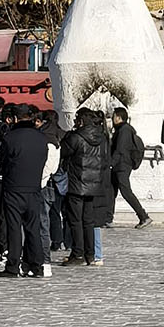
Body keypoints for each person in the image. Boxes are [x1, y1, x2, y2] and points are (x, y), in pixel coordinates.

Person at [0, 105, 51, 278]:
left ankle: (13, 266)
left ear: (14, 118)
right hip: (34, 188)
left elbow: (3, 163)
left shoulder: (10, 137)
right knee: (33, 228)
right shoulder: (41, 138)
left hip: (13, 187)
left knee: (13, 228)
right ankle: (37, 265)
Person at [60, 108, 109, 265]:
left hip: (77, 182)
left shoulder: (76, 137)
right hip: (94, 183)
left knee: (75, 220)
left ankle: (78, 254)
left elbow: (64, 152)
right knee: (88, 220)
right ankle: (90, 254)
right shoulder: (101, 137)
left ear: (80, 121)